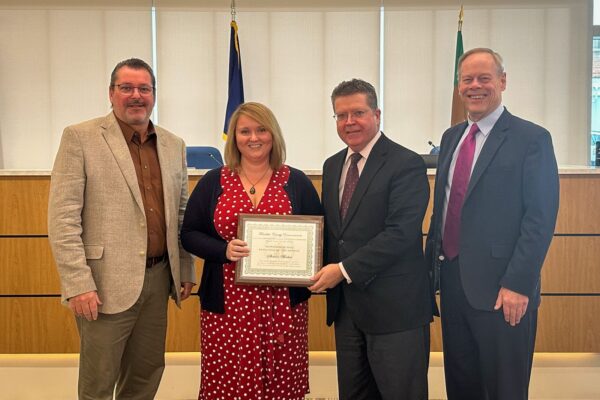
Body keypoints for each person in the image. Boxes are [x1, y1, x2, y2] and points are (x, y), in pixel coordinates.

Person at [47, 58, 196, 400]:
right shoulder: (80, 138)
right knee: (98, 383)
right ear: (111, 93)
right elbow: (63, 219)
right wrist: (77, 284)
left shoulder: (174, 145)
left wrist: (185, 268)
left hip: (159, 280)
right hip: (101, 285)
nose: (135, 95)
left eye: (144, 88)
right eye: (126, 88)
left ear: (154, 95)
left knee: (146, 376)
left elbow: (182, 214)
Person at [425, 48, 560, 400]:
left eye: (484, 78)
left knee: (505, 390)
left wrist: (518, 283)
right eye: (467, 79)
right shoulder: (452, 137)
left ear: (502, 81)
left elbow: (540, 218)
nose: (475, 86)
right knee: (462, 384)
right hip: (454, 285)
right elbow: (444, 210)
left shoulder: (531, 138)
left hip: (504, 292)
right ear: (458, 87)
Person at [180, 102, 321, 400]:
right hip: (228, 307)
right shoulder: (214, 181)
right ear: (234, 137)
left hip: (284, 307)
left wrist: (308, 265)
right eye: (245, 131)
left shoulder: (295, 182)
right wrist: (223, 250)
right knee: (228, 385)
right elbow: (189, 234)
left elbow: (320, 238)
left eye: (261, 129)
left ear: (273, 134)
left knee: (282, 386)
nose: (253, 137)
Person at [309, 79, 432, 400]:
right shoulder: (333, 165)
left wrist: (343, 270)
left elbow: (400, 234)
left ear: (377, 114)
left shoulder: (406, 163)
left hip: (396, 311)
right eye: (341, 115)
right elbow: (335, 234)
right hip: (348, 311)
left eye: (358, 112)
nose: (349, 122)